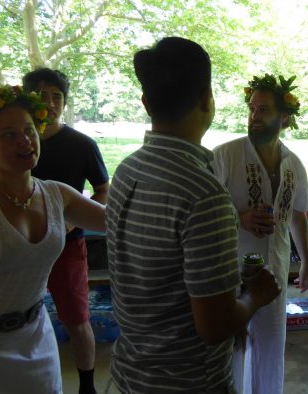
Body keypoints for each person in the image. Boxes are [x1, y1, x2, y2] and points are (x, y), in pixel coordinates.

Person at [105, 37, 281, 393]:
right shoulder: (203, 194)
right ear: (207, 99)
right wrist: (254, 297)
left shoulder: (126, 171)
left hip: (129, 374)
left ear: (146, 102)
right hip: (188, 382)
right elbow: (214, 327)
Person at [0, 85, 106, 393]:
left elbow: (119, 223)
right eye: (8, 134)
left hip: (35, 340)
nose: (25, 140)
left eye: (29, 130)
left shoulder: (57, 194)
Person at [212, 73, 308, 394]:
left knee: (271, 349)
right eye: (252, 109)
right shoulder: (225, 156)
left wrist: (306, 263)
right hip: (229, 273)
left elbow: (298, 215)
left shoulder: (294, 165)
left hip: (276, 272)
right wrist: (239, 216)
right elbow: (202, 210)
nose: (254, 117)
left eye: (264, 110)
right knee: (232, 350)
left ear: (284, 117)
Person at [23, 68, 109, 394]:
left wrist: (74, 221)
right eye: (41, 96)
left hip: (68, 246)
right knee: (19, 312)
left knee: (76, 318)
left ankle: (87, 385)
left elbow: (103, 190)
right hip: (20, 245)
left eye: (56, 96)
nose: (50, 103)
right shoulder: (18, 143)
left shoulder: (81, 144)